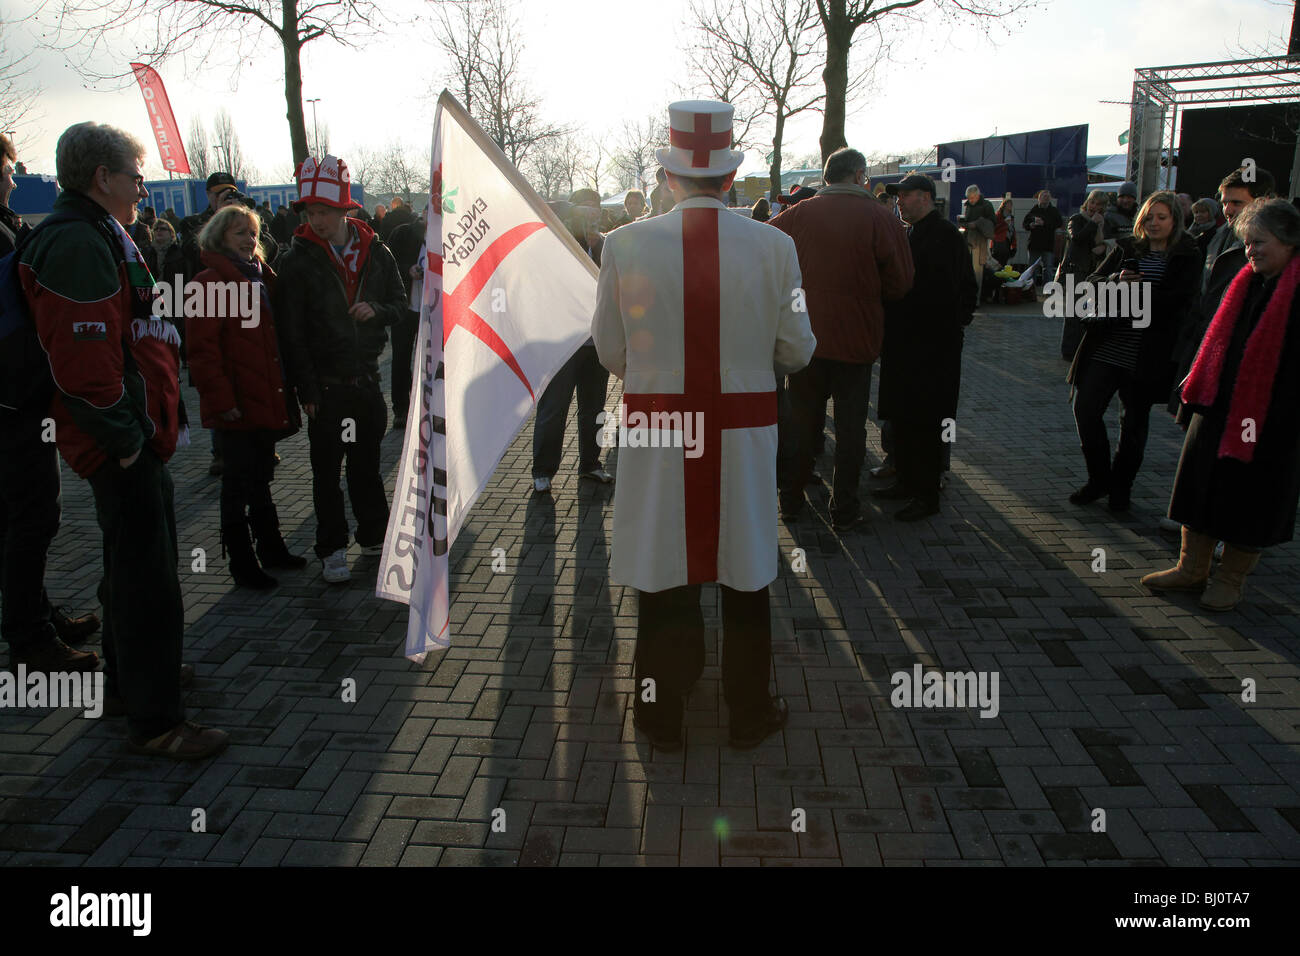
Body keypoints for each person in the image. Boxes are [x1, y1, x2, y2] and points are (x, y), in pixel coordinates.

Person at [591, 99, 816, 750]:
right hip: (743, 433)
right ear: (729, 178)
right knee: (746, 570)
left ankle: (660, 715)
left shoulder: (624, 244)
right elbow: (798, 348)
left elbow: (608, 350)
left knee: (663, 571)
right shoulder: (778, 246)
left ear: (668, 177)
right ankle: (749, 711)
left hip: (660, 431)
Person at [20, 121, 226, 759]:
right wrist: (129, 440)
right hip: (117, 443)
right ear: (101, 178)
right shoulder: (78, 242)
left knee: (128, 569)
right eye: (136, 176)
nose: (143, 188)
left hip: (126, 435)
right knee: (147, 581)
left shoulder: (92, 232)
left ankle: (131, 681)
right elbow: (84, 361)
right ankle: (157, 720)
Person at [1142, 199, 1300, 610]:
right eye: (1248, 243)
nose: (1251, 251)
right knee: (1200, 485)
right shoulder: (1243, 279)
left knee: (1252, 500)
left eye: (1259, 243)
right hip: (1216, 404)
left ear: (1288, 242)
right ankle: (1190, 567)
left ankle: (1231, 579)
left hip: (1272, 418)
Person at [276, 154, 407, 584]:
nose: (316, 220)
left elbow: (400, 303)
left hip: (366, 382)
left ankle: (373, 536)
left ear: (344, 210)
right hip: (327, 390)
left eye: (324, 212)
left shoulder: (377, 251)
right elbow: (290, 334)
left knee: (366, 467)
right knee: (326, 475)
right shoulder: (296, 262)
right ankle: (332, 548)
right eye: (310, 212)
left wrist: (378, 309)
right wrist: (307, 390)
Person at [770, 147, 914, 531]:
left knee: (801, 423)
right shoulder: (881, 218)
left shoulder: (794, 216)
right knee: (850, 430)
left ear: (826, 176)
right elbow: (900, 283)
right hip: (856, 339)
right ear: (859, 175)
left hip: (804, 340)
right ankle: (844, 507)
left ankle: (791, 499)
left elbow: (765, 262)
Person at [0, 130, 101, 673]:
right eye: (7, 168)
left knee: (16, 520)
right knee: (33, 517)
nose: (13, 177)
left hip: (13, 400)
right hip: (16, 403)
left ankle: (35, 614)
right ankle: (30, 637)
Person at [187, 204, 304, 589]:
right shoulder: (209, 283)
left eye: (252, 233)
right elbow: (203, 353)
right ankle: (241, 562)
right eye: (240, 233)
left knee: (261, 478)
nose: (249, 239)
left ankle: (271, 548)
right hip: (235, 404)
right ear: (221, 237)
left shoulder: (260, 277)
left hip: (261, 398)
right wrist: (223, 402)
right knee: (236, 484)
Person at [1066, 190, 1201, 513]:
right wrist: (1115, 279)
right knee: (1085, 409)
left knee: (1134, 424)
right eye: (1149, 217)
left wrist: (1135, 294)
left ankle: (1120, 488)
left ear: (1175, 221)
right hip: (1108, 344)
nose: (1153, 223)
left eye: (1162, 217)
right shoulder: (1128, 247)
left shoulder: (1187, 254)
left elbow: (1181, 302)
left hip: (1148, 353)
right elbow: (1093, 280)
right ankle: (1099, 479)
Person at [876, 174, 977, 521]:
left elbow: (958, 293)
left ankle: (926, 494)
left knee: (927, 424)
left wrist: (946, 331)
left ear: (925, 197)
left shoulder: (945, 236)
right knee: (904, 418)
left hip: (932, 350)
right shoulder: (911, 232)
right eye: (898, 196)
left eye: (904, 196)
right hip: (906, 346)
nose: (899, 202)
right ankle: (905, 482)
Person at [531, 188, 613, 492]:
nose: (591, 215)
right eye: (584, 209)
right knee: (554, 407)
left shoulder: (606, 244)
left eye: (595, 209)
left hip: (596, 342)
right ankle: (543, 470)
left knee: (594, 408)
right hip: (563, 343)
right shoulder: (558, 244)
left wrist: (598, 251)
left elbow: (615, 284)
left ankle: (590, 464)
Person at [1059, 189, 1111, 360]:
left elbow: (1103, 245)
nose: (1094, 207)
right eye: (1092, 202)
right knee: (1074, 313)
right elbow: (1077, 238)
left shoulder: (1103, 222)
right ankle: (1069, 351)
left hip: (1093, 271)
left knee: (1088, 312)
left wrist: (1103, 246)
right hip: (1076, 270)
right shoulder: (1077, 219)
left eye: (1099, 204)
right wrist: (1093, 224)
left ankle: (1082, 349)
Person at [387, 204, 426, 429]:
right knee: (401, 358)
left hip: (432, 310)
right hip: (405, 307)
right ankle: (401, 408)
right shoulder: (402, 234)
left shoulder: (447, 236)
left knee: (430, 360)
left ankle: (428, 407)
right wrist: (408, 271)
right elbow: (388, 267)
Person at [957, 184, 995, 300]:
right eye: (969, 198)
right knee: (967, 269)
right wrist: (963, 221)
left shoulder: (987, 205)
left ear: (978, 195)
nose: (970, 200)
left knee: (977, 271)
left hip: (979, 241)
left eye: (972, 198)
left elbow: (992, 222)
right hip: (968, 239)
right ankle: (969, 296)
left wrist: (977, 224)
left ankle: (976, 298)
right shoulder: (968, 205)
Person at [1022, 189, 1064, 287]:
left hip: (1048, 244)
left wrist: (1044, 223)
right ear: (1039, 198)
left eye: (1047, 197)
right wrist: (1030, 225)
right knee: (1032, 268)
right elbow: (1025, 223)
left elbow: (1059, 223)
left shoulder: (1053, 211)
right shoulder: (1034, 210)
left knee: (1048, 268)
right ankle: (1030, 288)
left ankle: (1047, 288)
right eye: (1044, 196)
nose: (1046, 198)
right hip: (1034, 244)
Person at [991, 197, 1016, 267]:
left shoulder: (1011, 217)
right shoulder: (998, 216)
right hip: (999, 242)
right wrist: (1004, 223)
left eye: (1011, 204)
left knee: (1004, 262)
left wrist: (1014, 245)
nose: (1010, 206)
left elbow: (1012, 231)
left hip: (1007, 242)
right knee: (998, 262)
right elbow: (994, 229)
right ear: (1004, 205)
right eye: (1009, 204)